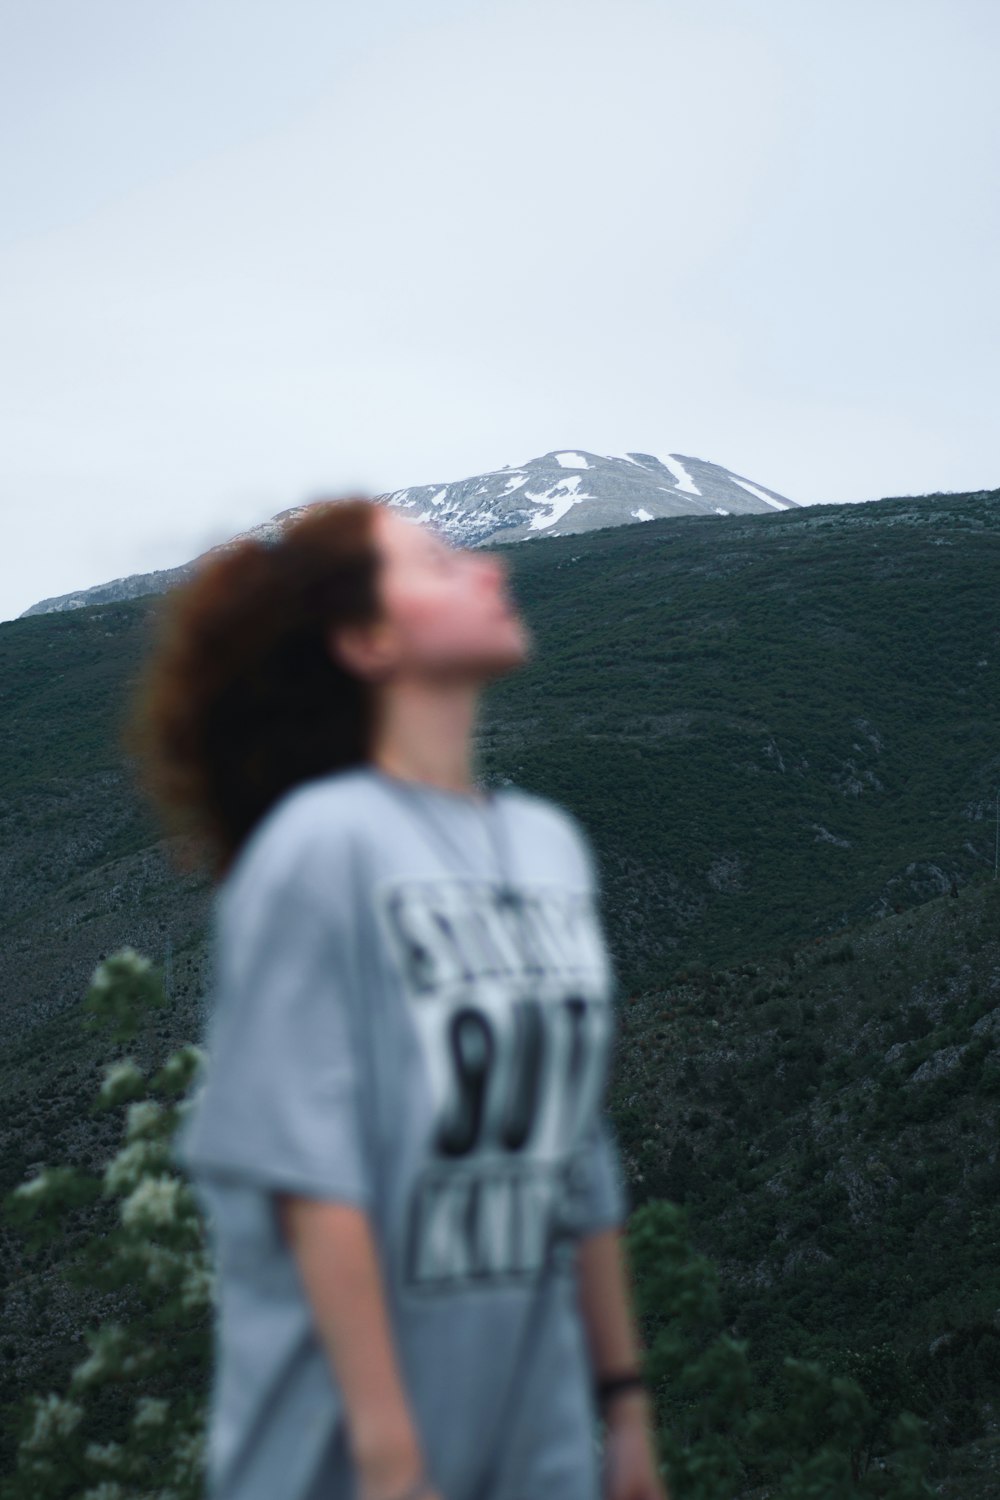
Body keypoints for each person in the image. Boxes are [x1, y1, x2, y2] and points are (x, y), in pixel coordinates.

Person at [124, 496, 669, 1500]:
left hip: (538, 1445)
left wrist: (624, 1410)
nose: (489, 568)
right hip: (338, 1460)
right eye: (435, 562)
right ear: (368, 640)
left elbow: (576, 1154)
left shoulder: (549, 847)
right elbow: (310, 1179)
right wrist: (390, 1457)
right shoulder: (319, 848)